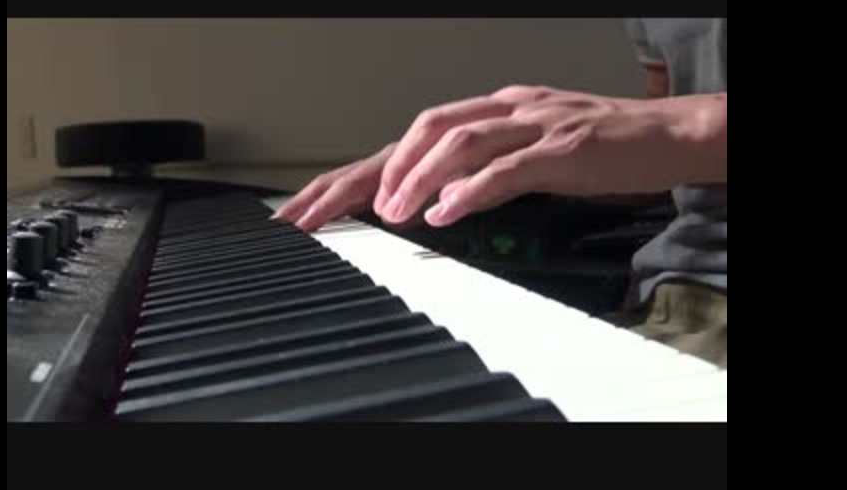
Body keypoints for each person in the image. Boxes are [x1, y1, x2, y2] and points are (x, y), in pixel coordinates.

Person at [273, 18, 727, 369]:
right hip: (670, 294)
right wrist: (494, 162)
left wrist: (694, 127)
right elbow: (664, 155)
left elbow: (677, 128)